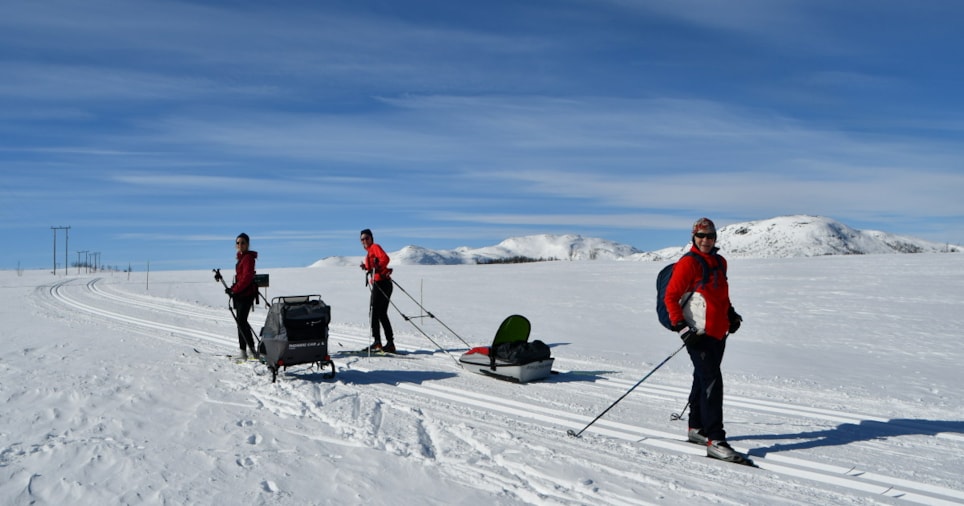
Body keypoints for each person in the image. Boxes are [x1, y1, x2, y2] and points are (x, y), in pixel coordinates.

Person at [664, 217, 743, 462]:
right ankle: (715, 439)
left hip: (719, 332)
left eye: (710, 236)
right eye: (701, 236)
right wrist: (682, 328)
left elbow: (720, 294)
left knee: (703, 377)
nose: (706, 240)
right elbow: (671, 297)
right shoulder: (688, 263)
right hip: (697, 333)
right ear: (693, 238)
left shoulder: (720, 262)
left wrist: (731, 314)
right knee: (712, 381)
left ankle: (696, 428)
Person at [359, 229, 395, 353]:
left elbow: (385, 258)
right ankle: (390, 343)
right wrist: (366, 267)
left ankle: (377, 342)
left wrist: (377, 267)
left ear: (371, 238)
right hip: (383, 283)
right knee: (381, 313)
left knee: (374, 312)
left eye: (366, 238)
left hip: (381, 284)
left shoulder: (375, 247)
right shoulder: (369, 252)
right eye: (362, 239)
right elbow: (374, 266)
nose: (364, 241)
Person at [228, 233, 260, 360]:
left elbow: (247, 277)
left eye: (242, 243)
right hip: (241, 293)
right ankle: (250, 350)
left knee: (241, 322)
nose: (240, 245)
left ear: (247, 244)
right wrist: (232, 289)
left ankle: (245, 352)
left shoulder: (248, 258)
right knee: (242, 322)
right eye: (238, 243)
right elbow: (241, 277)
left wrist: (235, 290)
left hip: (246, 294)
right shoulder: (241, 258)